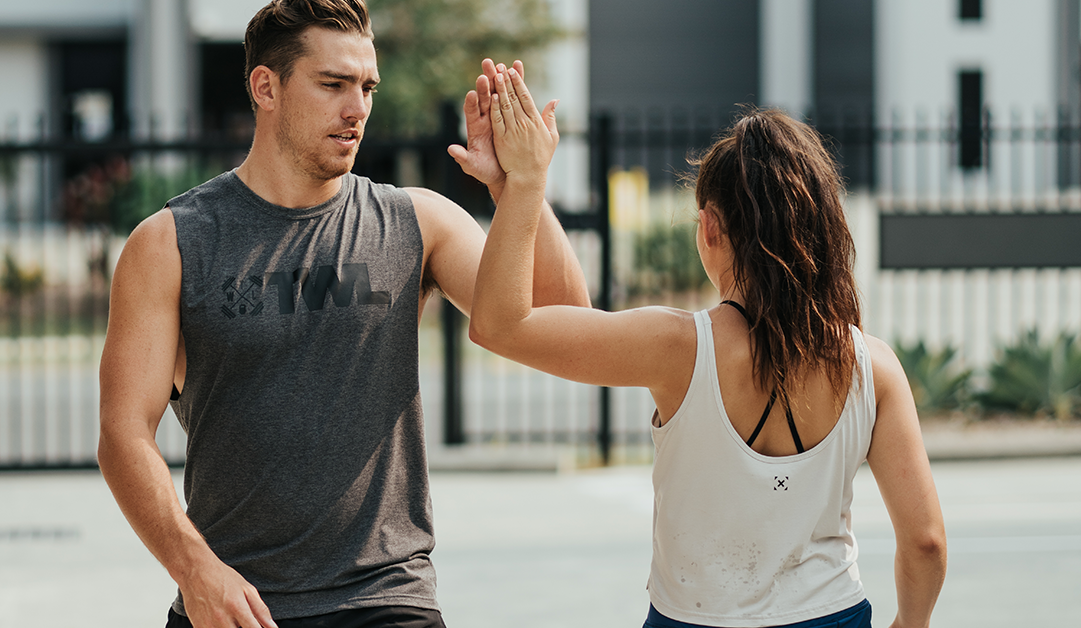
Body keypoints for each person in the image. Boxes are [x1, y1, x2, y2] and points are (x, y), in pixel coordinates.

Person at [96, 1, 589, 626]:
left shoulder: (416, 221)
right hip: (233, 603)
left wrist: (520, 187)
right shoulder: (170, 243)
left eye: (367, 87)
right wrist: (194, 569)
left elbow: (569, 325)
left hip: (387, 598)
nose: (357, 108)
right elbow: (122, 434)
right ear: (265, 86)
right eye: (333, 84)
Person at [469, 67, 947, 628]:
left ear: (710, 228)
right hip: (832, 614)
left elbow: (502, 325)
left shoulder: (677, 348)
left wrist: (523, 184)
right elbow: (926, 543)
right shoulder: (873, 367)